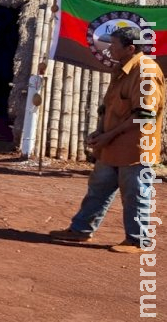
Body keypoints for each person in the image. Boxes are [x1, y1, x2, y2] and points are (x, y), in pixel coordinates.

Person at [50, 26, 165, 254]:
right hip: (112, 146)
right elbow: (109, 106)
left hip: (135, 148)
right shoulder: (122, 68)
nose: (109, 48)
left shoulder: (146, 71)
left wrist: (107, 136)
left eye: (113, 44)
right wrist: (99, 131)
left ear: (130, 48)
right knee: (98, 188)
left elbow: (144, 116)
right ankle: (81, 230)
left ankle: (137, 240)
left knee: (135, 193)